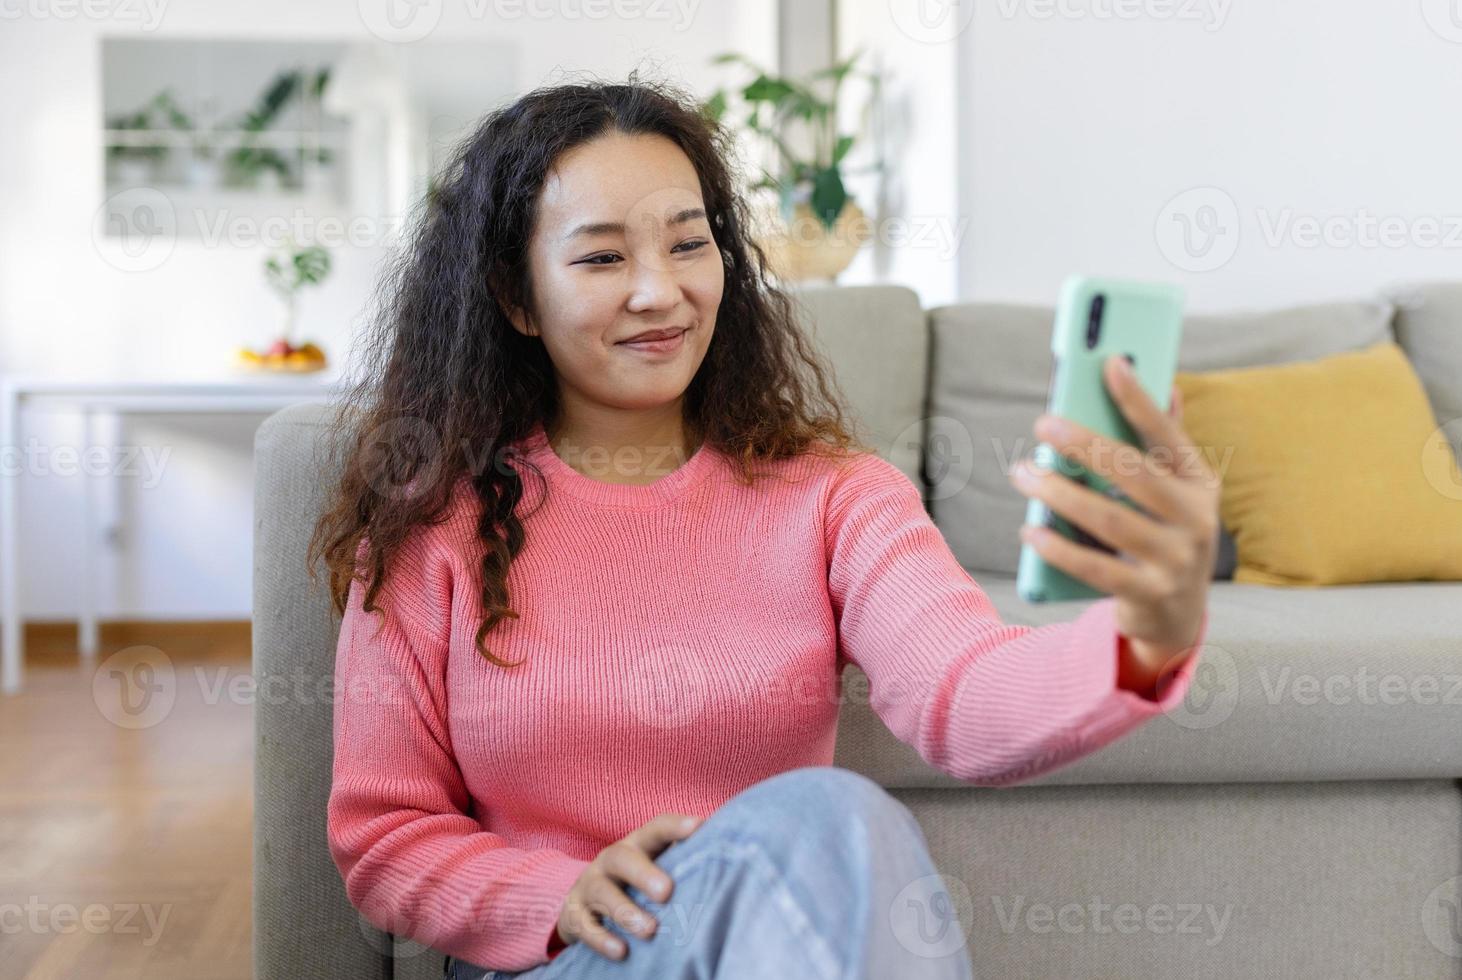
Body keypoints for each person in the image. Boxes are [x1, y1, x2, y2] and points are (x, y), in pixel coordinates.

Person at [308, 72, 1217, 980]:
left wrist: (1145, 638)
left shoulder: (837, 498)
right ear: (516, 297)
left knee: (831, 820)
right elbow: (385, 839)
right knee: (823, 816)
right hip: (570, 960)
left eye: (687, 245)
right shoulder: (435, 528)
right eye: (601, 259)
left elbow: (964, 693)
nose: (659, 292)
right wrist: (559, 893)